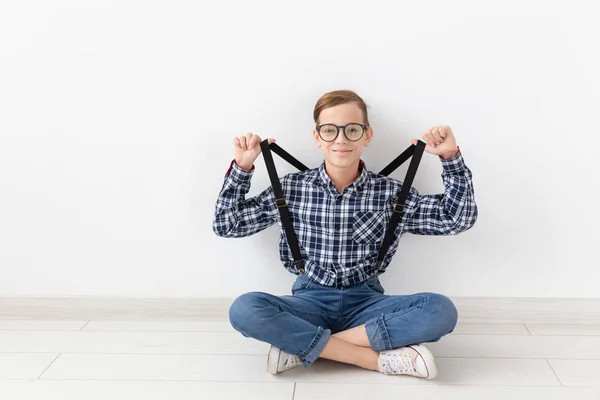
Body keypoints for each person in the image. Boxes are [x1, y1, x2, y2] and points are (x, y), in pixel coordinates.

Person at [212, 90, 478, 379]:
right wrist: (242, 168)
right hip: (309, 302)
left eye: (352, 130)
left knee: (440, 311)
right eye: (330, 130)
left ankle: (303, 347)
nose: (341, 139)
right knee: (245, 309)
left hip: (367, 304)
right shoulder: (290, 189)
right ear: (317, 137)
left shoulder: (389, 193)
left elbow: (457, 219)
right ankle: (373, 360)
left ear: (367, 135)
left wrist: (450, 157)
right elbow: (227, 224)